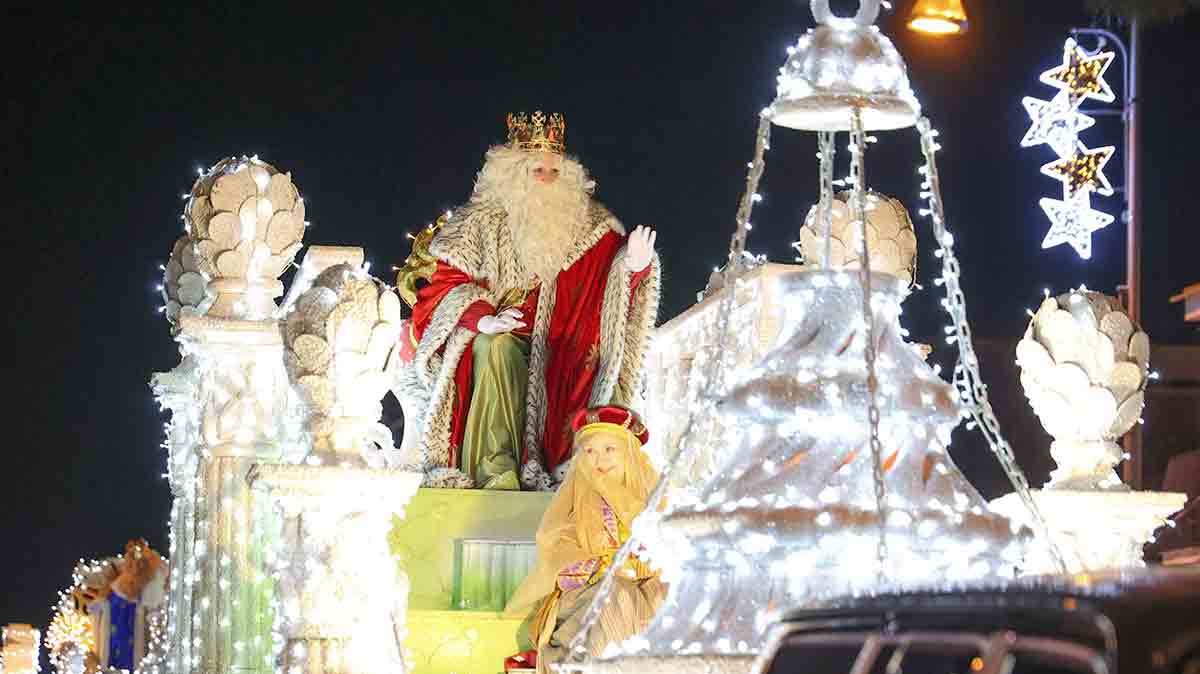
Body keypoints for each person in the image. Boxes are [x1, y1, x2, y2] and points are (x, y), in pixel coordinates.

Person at [405, 111, 660, 489]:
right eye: (537, 171)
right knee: (496, 347)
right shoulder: (476, 223)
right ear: (512, 173)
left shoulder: (590, 228)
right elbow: (446, 285)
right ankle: (497, 469)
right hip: (494, 335)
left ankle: (573, 468)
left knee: (576, 360)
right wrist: (482, 318)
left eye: (555, 173)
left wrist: (636, 266)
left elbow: (613, 278)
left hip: (557, 348)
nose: (547, 180)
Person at [504, 406, 665, 673]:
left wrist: (614, 494)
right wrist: (601, 557)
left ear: (630, 454)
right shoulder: (575, 495)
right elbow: (552, 543)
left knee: (633, 600)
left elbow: (665, 547)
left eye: (609, 449)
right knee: (613, 598)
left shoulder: (656, 494)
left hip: (645, 589)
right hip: (584, 593)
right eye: (590, 451)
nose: (599, 459)